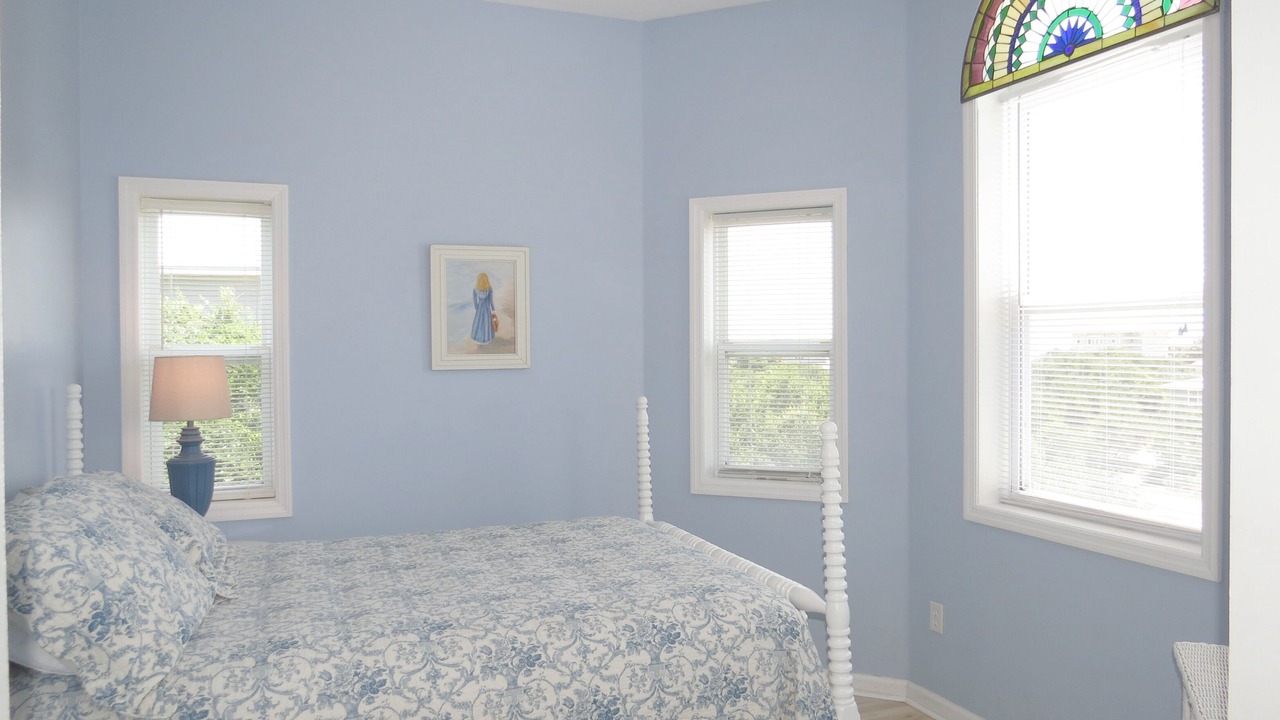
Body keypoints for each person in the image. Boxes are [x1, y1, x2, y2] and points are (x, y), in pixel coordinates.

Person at [470, 272, 496, 345]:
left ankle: (477, 338)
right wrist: (493, 309)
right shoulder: (489, 289)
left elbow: (475, 300)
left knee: (478, 323)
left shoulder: (475, 289)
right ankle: (487, 338)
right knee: (487, 322)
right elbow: (491, 300)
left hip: (480, 308)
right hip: (487, 309)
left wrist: (476, 307)